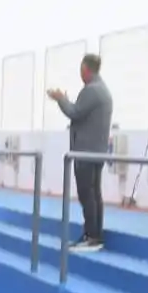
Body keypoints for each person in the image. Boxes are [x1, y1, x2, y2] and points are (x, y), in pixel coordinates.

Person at [47, 53, 113, 252]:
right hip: (97, 151)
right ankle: (94, 235)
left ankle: (91, 235)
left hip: (86, 151)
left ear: (85, 69)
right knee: (94, 193)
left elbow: (74, 112)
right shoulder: (103, 90)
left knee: (87, 194)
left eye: (80, 69)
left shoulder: (91, 91)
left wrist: (60, 99)